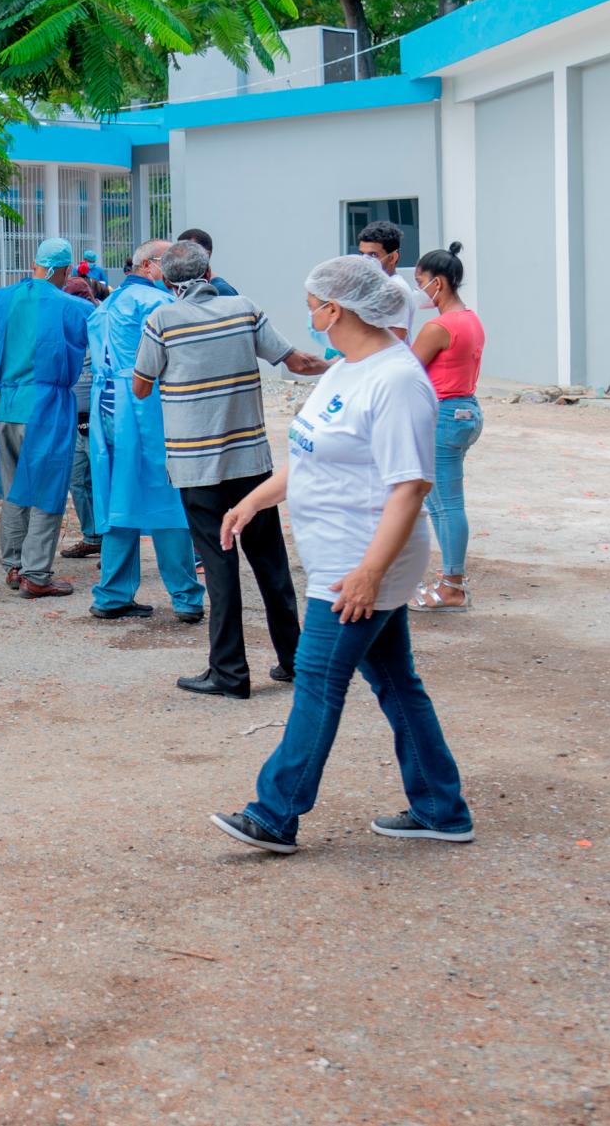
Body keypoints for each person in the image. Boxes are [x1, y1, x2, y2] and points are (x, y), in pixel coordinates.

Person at [209, 255, 473, 854]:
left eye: (312, 304)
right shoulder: (346, 370)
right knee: (395, 680)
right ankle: (442, 807)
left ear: (336, 309)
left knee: (319, 679)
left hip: (362, 562)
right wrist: (252, 502)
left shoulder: (397, 380)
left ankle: (275, 813)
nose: (308, 313)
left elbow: (410, 487)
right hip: (342, 558)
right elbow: (310, 458)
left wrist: (370, 574)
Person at [133, 240, 329, 699]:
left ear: (165, 280)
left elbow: (142, 387)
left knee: (219, 569)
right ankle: (295, 661)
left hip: (196, 466)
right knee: (271, 565)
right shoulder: (244, 309)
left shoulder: (161, 320)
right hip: (250, 463)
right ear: (209, 271)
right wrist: (346, 365)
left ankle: (229, 673)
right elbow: (296, 361)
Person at [0, 237, 93, 597]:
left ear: (35, 264)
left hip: (4, 406)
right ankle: (36, 575)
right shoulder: (71, 306)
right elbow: (107, 339)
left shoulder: (0, 299)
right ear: (62, 270)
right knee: (46, 489)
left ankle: (14, 565)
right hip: (46, 409)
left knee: (16, 489)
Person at [87, 240, 206, 621]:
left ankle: (113, 593)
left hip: (108, 408)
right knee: (167, 497)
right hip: (145, 405)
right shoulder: (155, 303)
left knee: (120, 499)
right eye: (166, 261)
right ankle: (186, 596)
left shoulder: (107, 304)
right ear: (151, 265)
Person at [409, 241, 485, 613]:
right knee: (445, 502)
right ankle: (451, 581)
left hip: (443, 416)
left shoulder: (438, 326)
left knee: (444, 505)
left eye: (420, 280)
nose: (418, 289)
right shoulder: (470, 319)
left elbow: (408, 371)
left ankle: (452, 586)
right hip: (466, 410)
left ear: (438, 283)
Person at [60, 275, 102, 562]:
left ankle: (113, 543)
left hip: (100, 419)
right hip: (74, 420)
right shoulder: (65, 330)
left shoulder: (103, 326)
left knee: (102, 482)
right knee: (78, 481)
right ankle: (92, 536)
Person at [354, 220, 431, 341]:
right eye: (362, 254)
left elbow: (395, 340)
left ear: (392, 257)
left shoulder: (395, 290)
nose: (365, 261)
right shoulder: (377, 287)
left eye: (373, 255)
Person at [175, 228, 239, 297]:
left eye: (189, 252)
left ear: (207, 255)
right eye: (179, 252)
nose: (181, 258)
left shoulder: (222, 291)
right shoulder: (184, 287)